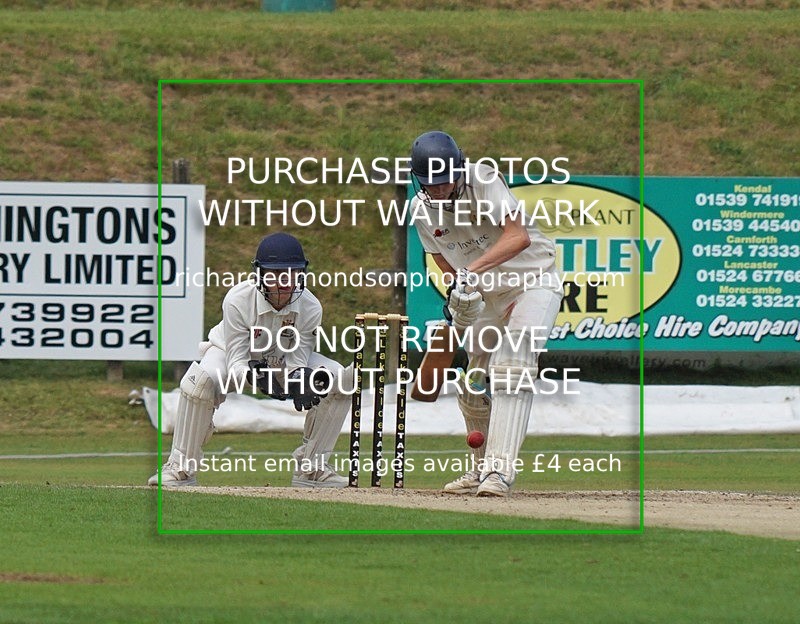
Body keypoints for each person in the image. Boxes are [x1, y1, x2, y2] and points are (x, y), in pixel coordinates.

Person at [409, 130, 563, 497]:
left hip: (533, 281)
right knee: (472, 384)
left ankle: (499, 471)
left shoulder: (484, 179)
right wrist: (458, 290)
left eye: (446, 180)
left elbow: (517, 236)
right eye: (432, 184)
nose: (441, 189)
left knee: (513, 363)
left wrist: (470, 273)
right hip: (484, 295)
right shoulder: (420, 208)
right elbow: (440, 255)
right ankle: (480, 470)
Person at [148, 232, 351, 488]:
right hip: (231, 355)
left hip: (280, 358)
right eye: (276, 273)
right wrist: (261, 379)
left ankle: (312, 470)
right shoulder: (237, 300)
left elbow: (298, 360)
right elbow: (236, 362)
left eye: (292, 272)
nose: (285, 281)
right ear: (259, 274)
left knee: (340, 379)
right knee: (199, 382)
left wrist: (299, 380)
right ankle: (180, 469)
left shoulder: (311, 307)